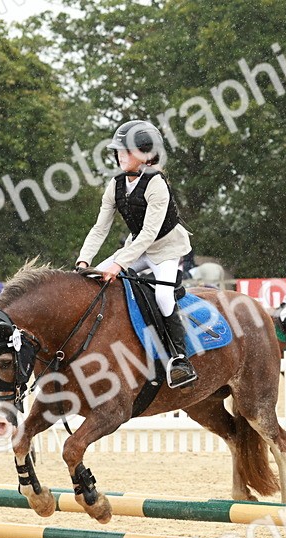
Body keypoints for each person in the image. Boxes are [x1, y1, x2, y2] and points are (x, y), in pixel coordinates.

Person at [76, 119, 197, 388]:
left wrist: (118, 265)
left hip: (166, 248)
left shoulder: (157, 184)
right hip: (136, 247)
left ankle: (180, 358)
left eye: (126, 151)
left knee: (164, 295)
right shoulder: (115, 185)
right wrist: (84, 260)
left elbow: (149, 235)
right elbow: (100, 229)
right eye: (118, 151)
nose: (120, 156)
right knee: (92, 280)